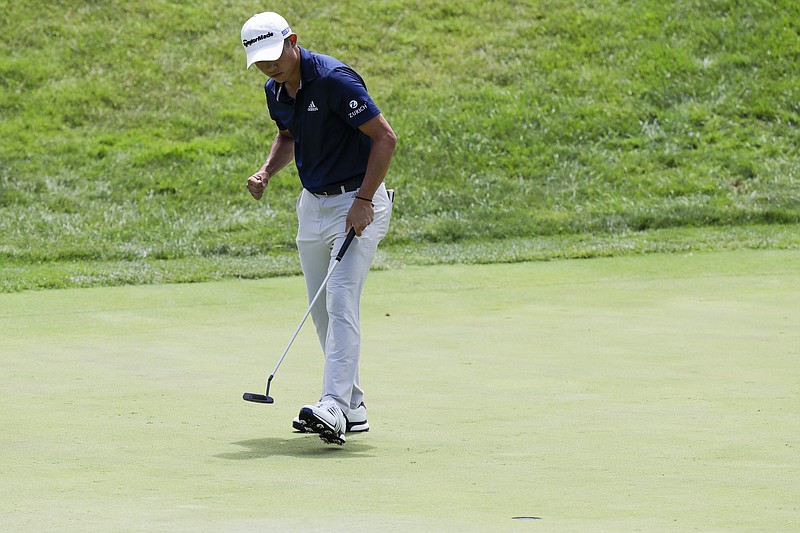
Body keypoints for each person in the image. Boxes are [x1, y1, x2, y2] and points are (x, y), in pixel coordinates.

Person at [240, 12, 397, 445]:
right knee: (321, 309)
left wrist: (365, 200)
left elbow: (386, 138)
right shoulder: (275, 90)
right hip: (313, 205)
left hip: (357, 199)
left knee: (342, 299)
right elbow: (289, 135)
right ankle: (353, 406)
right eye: (260, 61)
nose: (270, 66)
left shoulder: (333, 80)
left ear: (293, 41)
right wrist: (267, 172)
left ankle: (332, 403)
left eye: (274, 56)